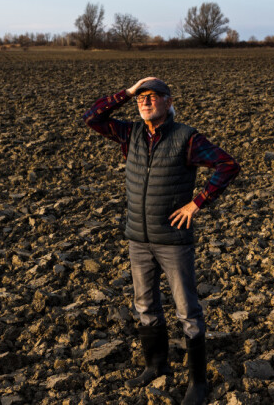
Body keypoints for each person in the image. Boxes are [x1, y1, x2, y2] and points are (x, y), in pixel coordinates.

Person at [83, 77, 240, 404]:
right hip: (138, 239)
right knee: (145, 306)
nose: (145, 101)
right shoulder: (130, 133)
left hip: (173, 241)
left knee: (187, 311)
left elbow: (226, 165)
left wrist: (197, 203)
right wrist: (125, 92)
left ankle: (198, 383)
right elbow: (92, 118)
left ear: (169, 101)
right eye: (141, 97)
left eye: (152, 96)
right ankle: (157, 365)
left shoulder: (187, 138)